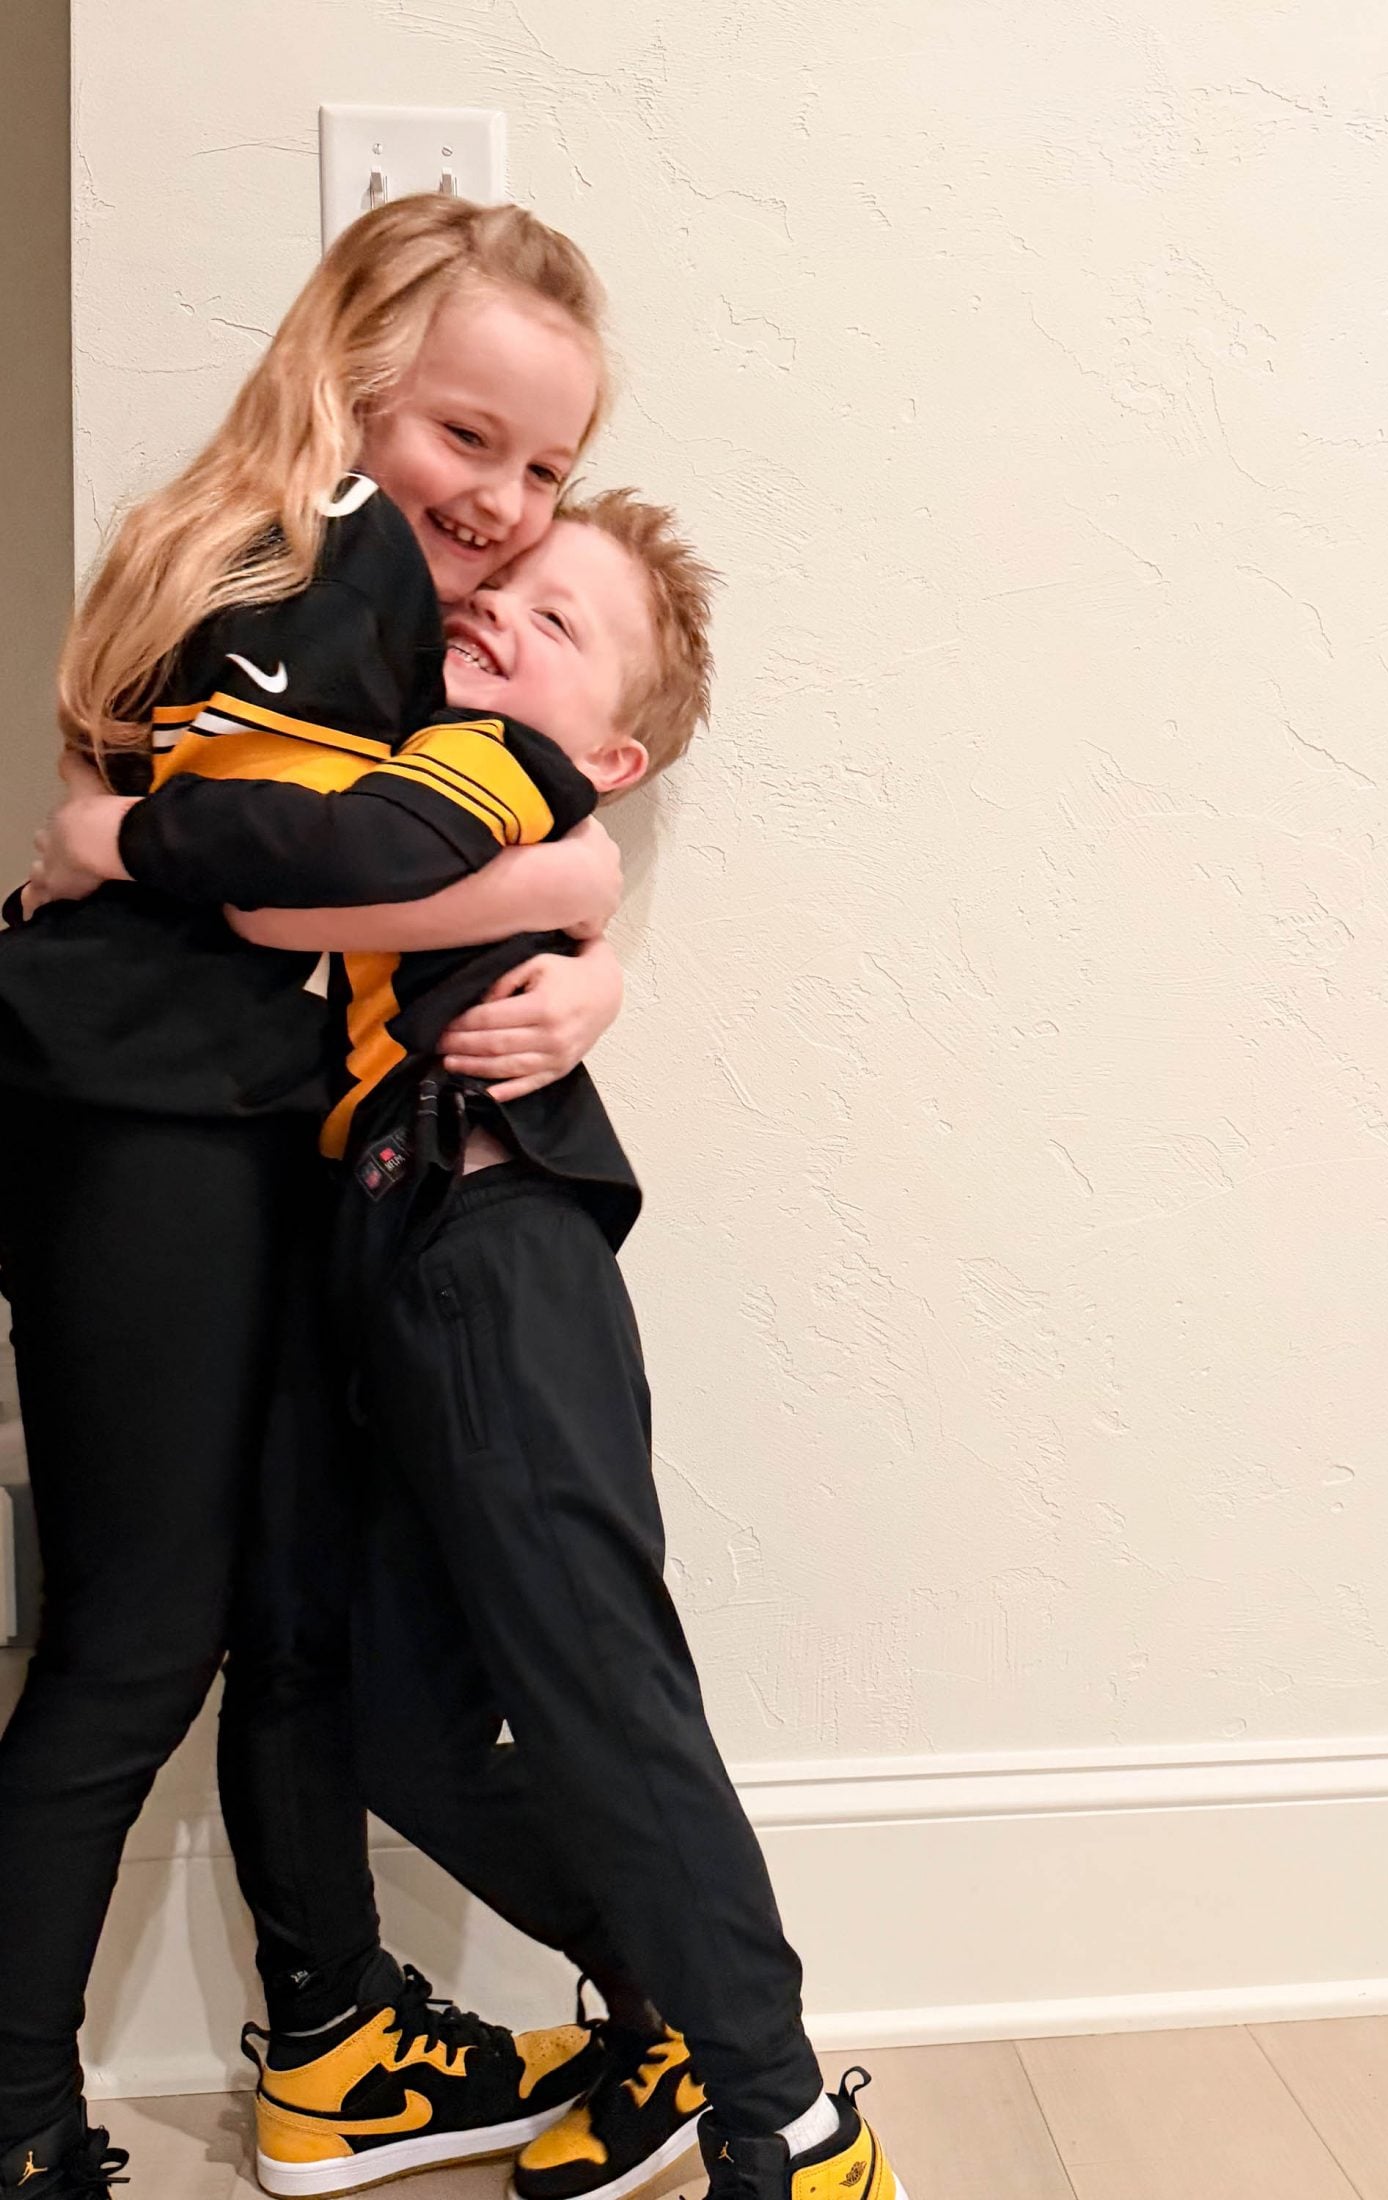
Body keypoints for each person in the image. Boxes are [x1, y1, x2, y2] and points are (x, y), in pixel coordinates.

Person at [0, 196, 646, 2200]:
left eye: (545, 466)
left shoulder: (381, 601)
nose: (506, 502)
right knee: (138, 1637)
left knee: (287, 1609)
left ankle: (337, 2030)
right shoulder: (310, 555)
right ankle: (15, 2123)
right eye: (468, 435)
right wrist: (563, 864)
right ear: (348, 381)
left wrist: (589, 926)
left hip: (254, 1124)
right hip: (145, 1116)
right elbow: (326, 860)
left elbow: (439, 834)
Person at [216, 495, 912, 2200]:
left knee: (600, 1688)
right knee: (406, 1730)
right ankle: (677, 2018)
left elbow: (278, 890)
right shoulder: (421, 763)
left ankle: (792, 2128)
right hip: (396, 1267)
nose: (503, 615)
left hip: (495, 1254)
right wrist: (586, 919)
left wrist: (110, 836)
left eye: (559, 622)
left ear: (607, 758)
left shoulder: (481, 782)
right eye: (502, 588)